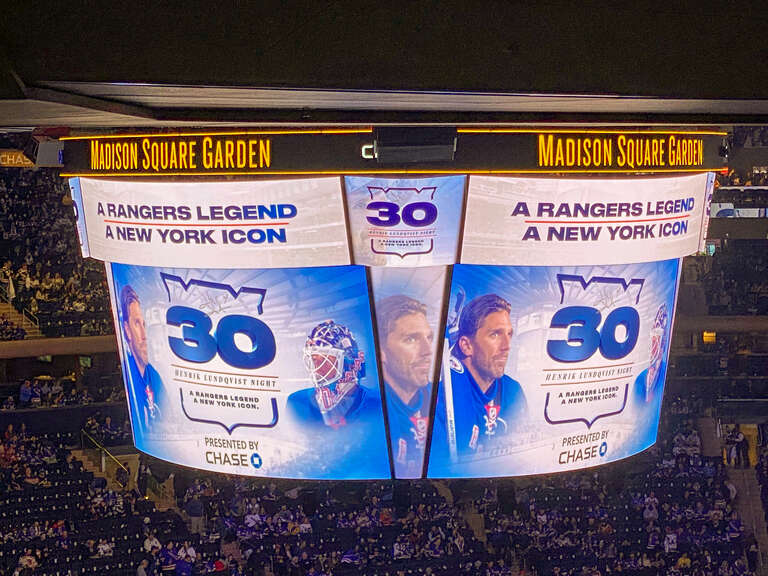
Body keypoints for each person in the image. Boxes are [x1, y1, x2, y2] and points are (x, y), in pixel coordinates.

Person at [433, 294, 527, 459]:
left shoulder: (513, 391)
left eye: (509, 335)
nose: (507, 346)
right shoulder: (442, 399)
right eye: (495, 335)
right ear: (466, 346)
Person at [376, 295, 434, 478]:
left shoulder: (443, 399)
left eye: (429, 338)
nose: (428, 351)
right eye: (411, 339)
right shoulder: (369, 414)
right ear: (381, 351)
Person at [286, 319, 381, 429]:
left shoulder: (377, 404)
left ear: (347, 363)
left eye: (325, 362)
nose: (317, 370)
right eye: (314, 360)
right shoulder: (297, 403)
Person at [120, 285, 166, 435]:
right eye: (137, 324)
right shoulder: (127, 377)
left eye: (145, 325)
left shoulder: (155, 378)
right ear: (127, 330)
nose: (144, 335)